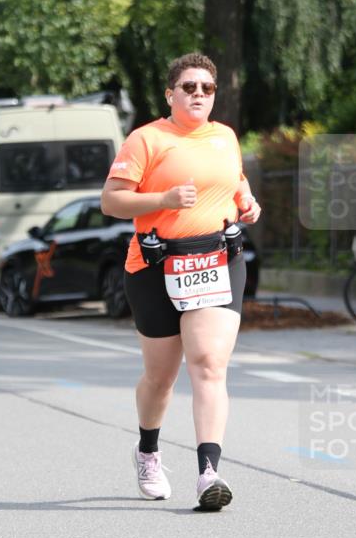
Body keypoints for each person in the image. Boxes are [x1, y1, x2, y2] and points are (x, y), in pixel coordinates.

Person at [101, 52, 261, 511]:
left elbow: (239, 185)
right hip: (155, 268)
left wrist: (249, 204)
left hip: (216, 261)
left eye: (207, 88)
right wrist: (165, 197)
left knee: (209, 362)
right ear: (170, 94)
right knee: (161, 377)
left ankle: (209, 473)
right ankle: (148, 451)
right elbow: (112, 201)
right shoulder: (146, 139)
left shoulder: (225, 137)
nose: (198, 95)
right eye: (188, 87)